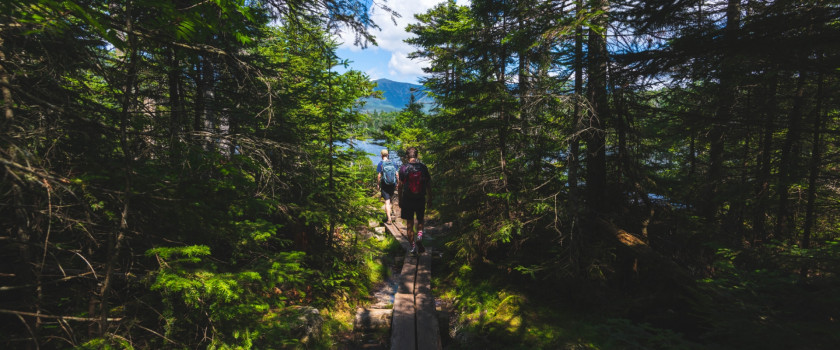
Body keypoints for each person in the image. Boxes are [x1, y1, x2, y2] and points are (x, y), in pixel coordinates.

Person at [398, 146, 431, 256]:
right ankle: (420, 236)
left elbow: (400, 186)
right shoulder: (423, 167)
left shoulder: (403, 168)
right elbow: (428, 185)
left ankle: (412, 247)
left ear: (407, 156)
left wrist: (400, 200)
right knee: (420, 220)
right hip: (420, 198)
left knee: (409, 223)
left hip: (408, 199)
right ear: (417, 156)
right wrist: (429, 198)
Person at [376, 149, 399, 224]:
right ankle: (392, 213)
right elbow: (397, 174)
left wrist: (378, 184)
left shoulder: (381, 163)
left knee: (387, 201)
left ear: (381, 155)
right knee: (391, 199)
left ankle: (389, 218)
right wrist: (398, 183)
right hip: (392, 184)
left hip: (385, 184)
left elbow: (379, 176)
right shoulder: (393, 163)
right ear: (388, 155)